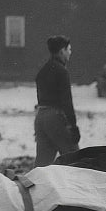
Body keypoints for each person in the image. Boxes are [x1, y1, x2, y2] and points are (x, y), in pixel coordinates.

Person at [34, 36, 80, 166]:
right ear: (61, 51)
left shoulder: (42, 71)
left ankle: (29, 186)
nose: (70, 53)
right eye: (69, 49)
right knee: (75, 160)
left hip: (40, 118)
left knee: (42, 166)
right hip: (55, 118)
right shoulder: (62, 71)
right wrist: (73, 126)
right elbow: (67, 101)